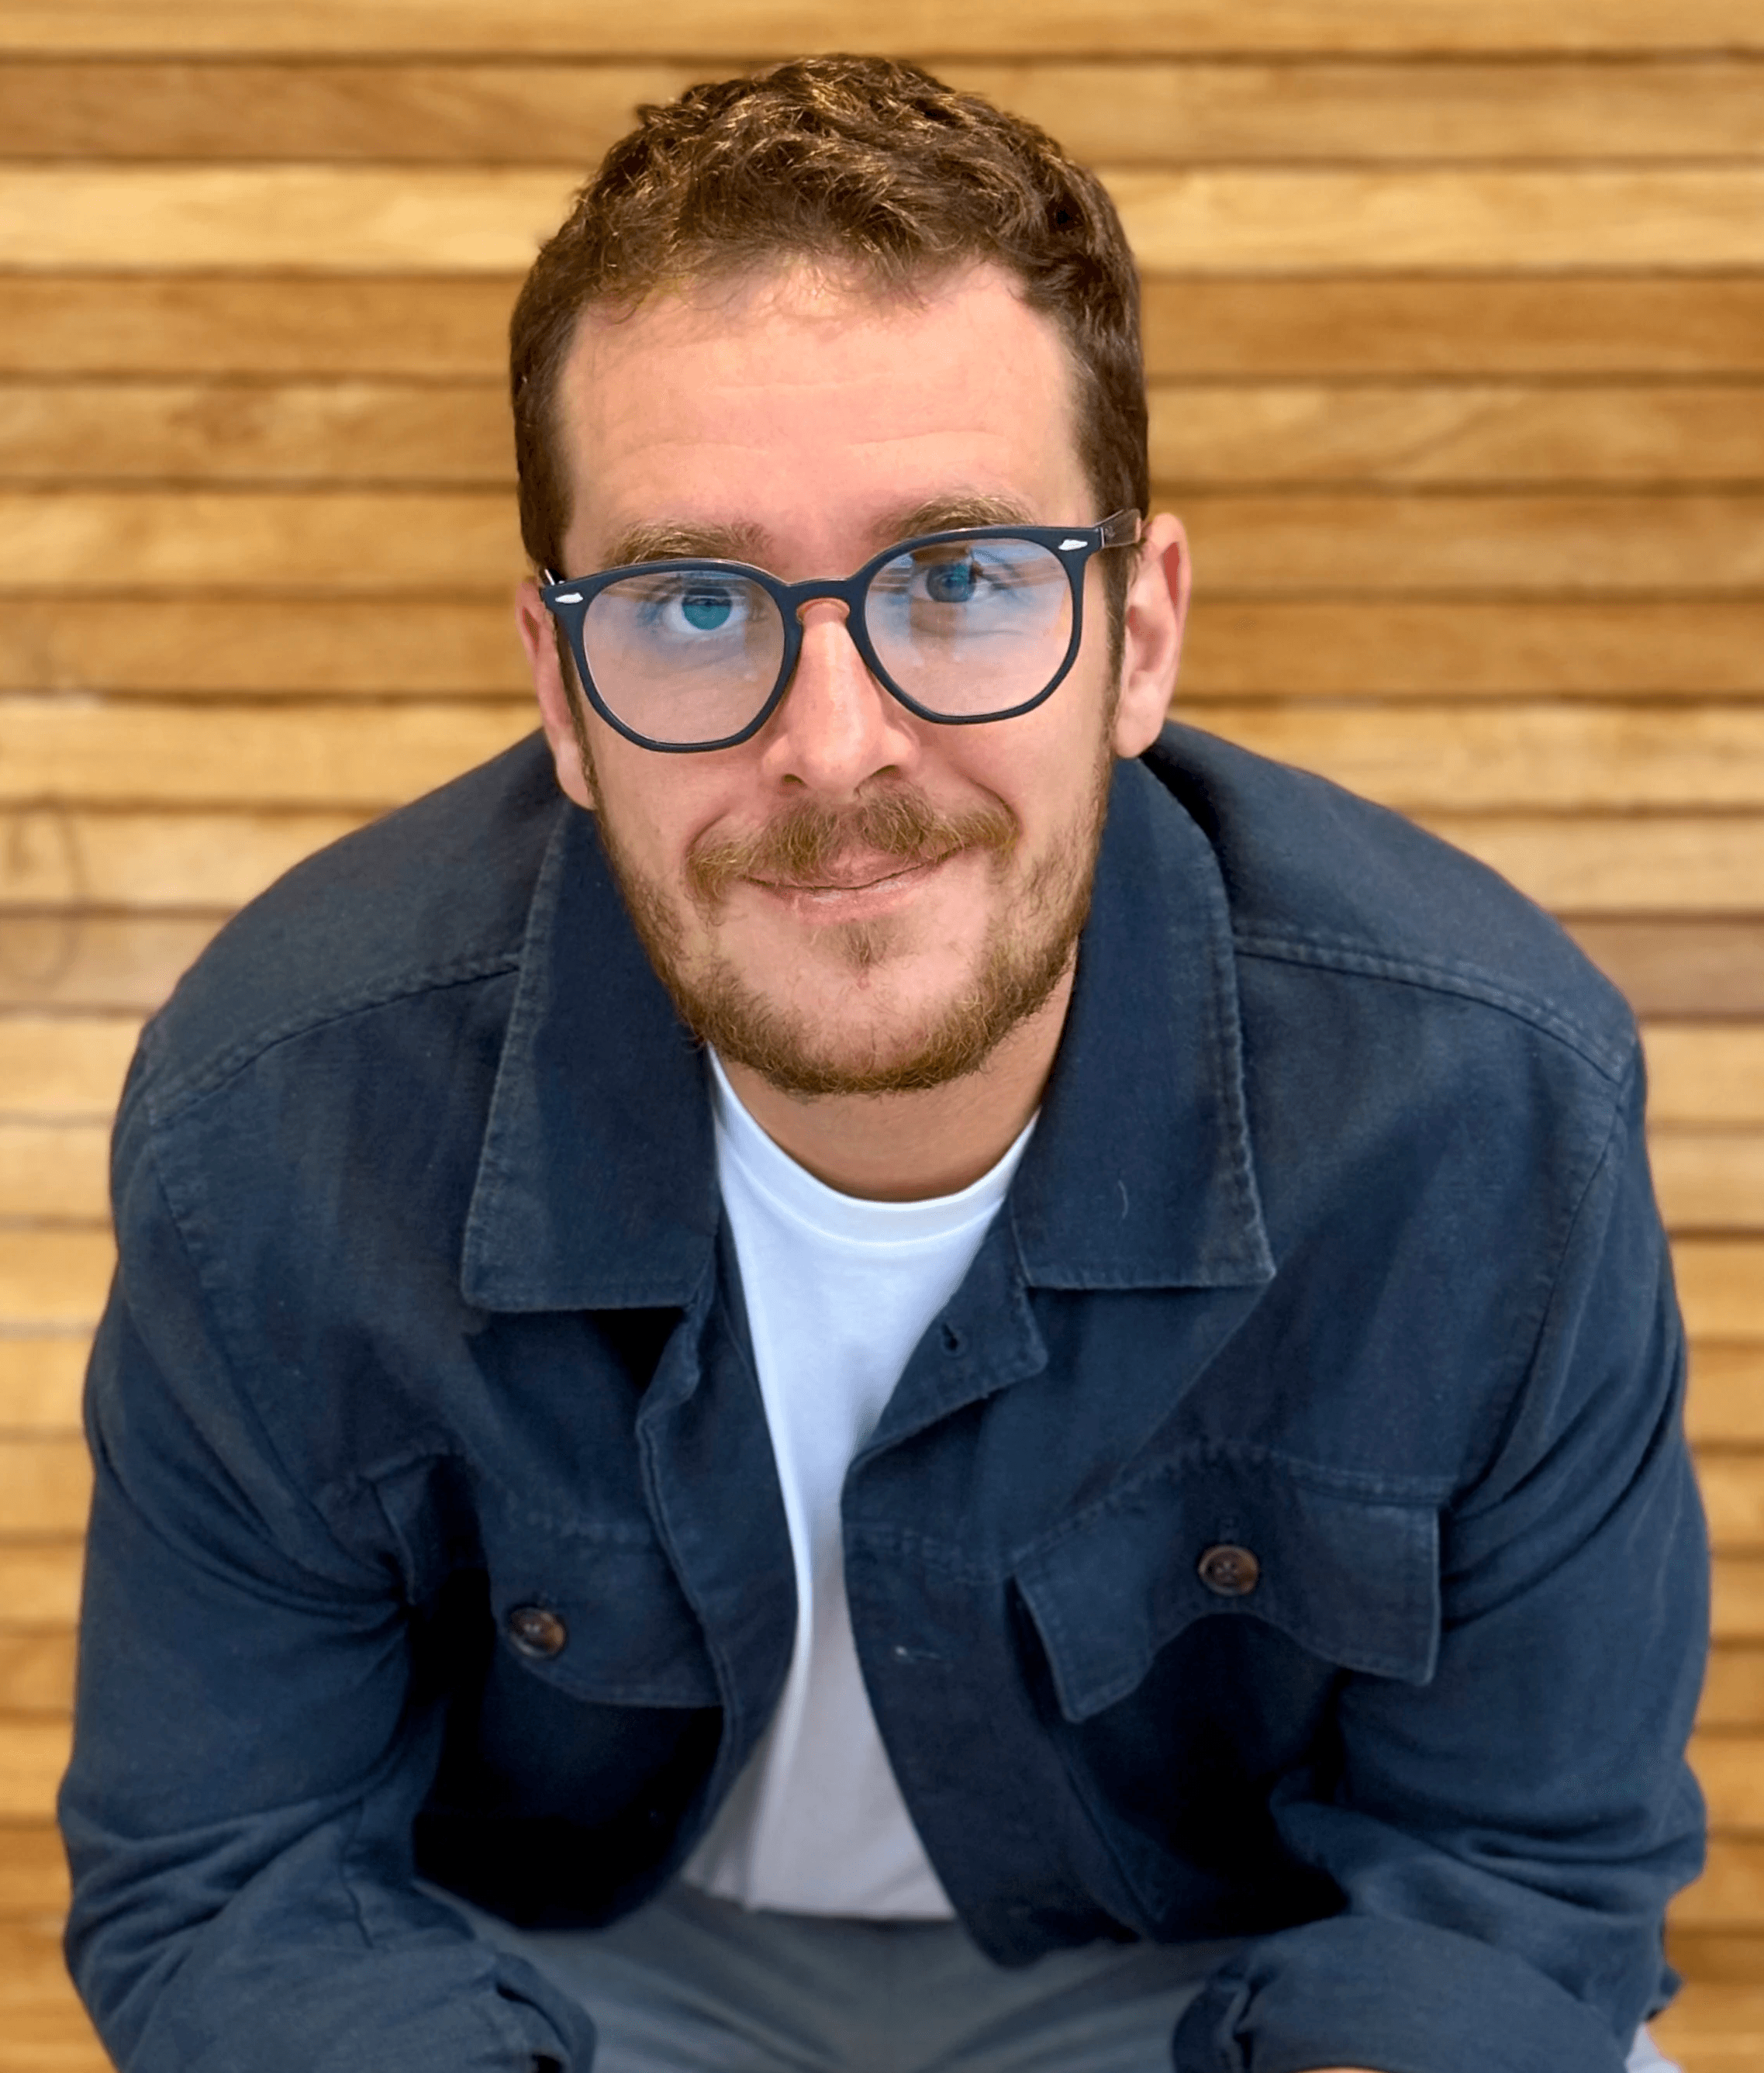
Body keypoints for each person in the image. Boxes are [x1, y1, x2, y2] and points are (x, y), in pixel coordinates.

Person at [60, 56, 1706, 2073]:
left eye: (957, 581)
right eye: (689, 604)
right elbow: (236, 1884)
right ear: (559, 695)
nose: (833, 750)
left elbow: (1518, 1896)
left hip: (1205, 1980)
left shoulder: (1486, 1114)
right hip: (563, 1985)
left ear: (1144, 633)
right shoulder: (281, 1124)